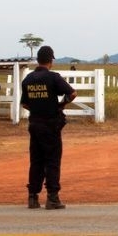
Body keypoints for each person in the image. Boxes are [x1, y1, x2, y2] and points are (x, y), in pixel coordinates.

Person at [21, 46, 77, 209]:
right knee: (52, 161)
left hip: (35, 124)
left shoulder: (28, 79)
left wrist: (38, 108)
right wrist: (61, 105)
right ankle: (52, 198)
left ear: (38, 60)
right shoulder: (53, 77)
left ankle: (33, 197)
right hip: (51, 125)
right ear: (50, 60)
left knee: (36, 161)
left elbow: (24, 103)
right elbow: (72, 93)